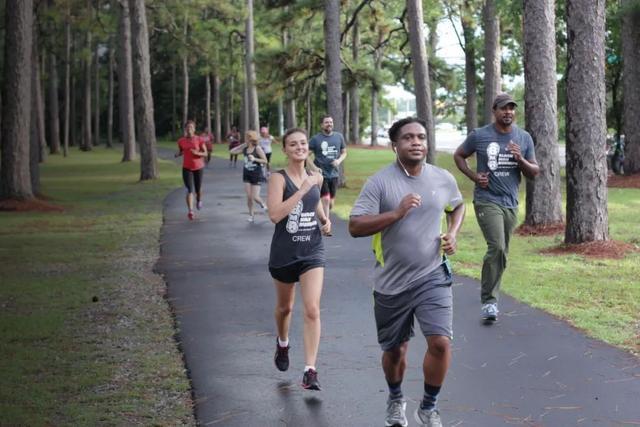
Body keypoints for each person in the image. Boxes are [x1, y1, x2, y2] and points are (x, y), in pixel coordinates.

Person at [349, 117, 465, 427]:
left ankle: (428, 407)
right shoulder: (380, 182)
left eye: (421, 137)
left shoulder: (442, 178)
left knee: (440, 342)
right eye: (408, 138)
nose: (416, 142)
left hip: (432, 275)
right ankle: (396, 397)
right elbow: (355, 226)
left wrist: (452, 233)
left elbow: (457, 206)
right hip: (391, 283)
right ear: (395, 145)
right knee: (395, 350)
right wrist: (397, 213)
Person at [453, 93, 539, 323]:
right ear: (495, 111)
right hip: (486, 200)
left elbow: (534, 172)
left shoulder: (523, 137)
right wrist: (473, 176)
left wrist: (520, 159)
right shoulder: (480, 136)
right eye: (503, 108)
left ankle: (491, 292)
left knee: (502, 253)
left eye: (511, 108)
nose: (508, 112)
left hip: (510, 203)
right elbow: (459, 155)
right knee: (497, 247)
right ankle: (489, 302)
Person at [267, 127, 332, 391]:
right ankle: (282, 343)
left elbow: (314, 201)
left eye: (303, 143)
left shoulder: (316, 176)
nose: (299, 147)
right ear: (285, 149)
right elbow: (275, 215)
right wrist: (302, 188)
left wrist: (324, 219)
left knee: (312, 309)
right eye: (293, 144)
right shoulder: (278, 179)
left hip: (312, 251)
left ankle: (310, 370)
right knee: (285, 309)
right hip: (284, 254)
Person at [308, 115, 347, 217]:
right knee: (326, 198)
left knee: (330, 203)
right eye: (326, 122)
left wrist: (338, 161)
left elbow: (344, 153)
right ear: (322, 125)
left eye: (331, 122)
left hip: (334, 174)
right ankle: (327, 222)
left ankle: (321, 209)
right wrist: (315, 168)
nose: (329, 124)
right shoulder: (316, 139)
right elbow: (306, 156)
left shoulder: (339, 137)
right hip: (321, 174)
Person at [230, 130, 268, 223]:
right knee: (249, 197)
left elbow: (265, 161)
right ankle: (251, 215)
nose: (245, 139)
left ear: (250, 138)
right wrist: (242, 145)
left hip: (256, 174)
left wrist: (255, 158)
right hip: (247, 174)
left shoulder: (257, 148)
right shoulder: (245, 149)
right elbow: (232, 151)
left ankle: (263, 204)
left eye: (246, 137)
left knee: (255, 197)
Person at [175, 120, 208, 220]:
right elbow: (182, 151)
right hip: (186, 168)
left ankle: (199, 200)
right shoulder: (181, 141)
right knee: (189, 189)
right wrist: (178, 154)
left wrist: (197, 153)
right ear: (185, 129)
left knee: (198, 189)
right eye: (187, 127)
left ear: (194, 129)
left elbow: (205, 153)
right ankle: (191, 211)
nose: (189, 129)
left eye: (191, 127)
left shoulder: (199, 139)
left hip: (198, 167)